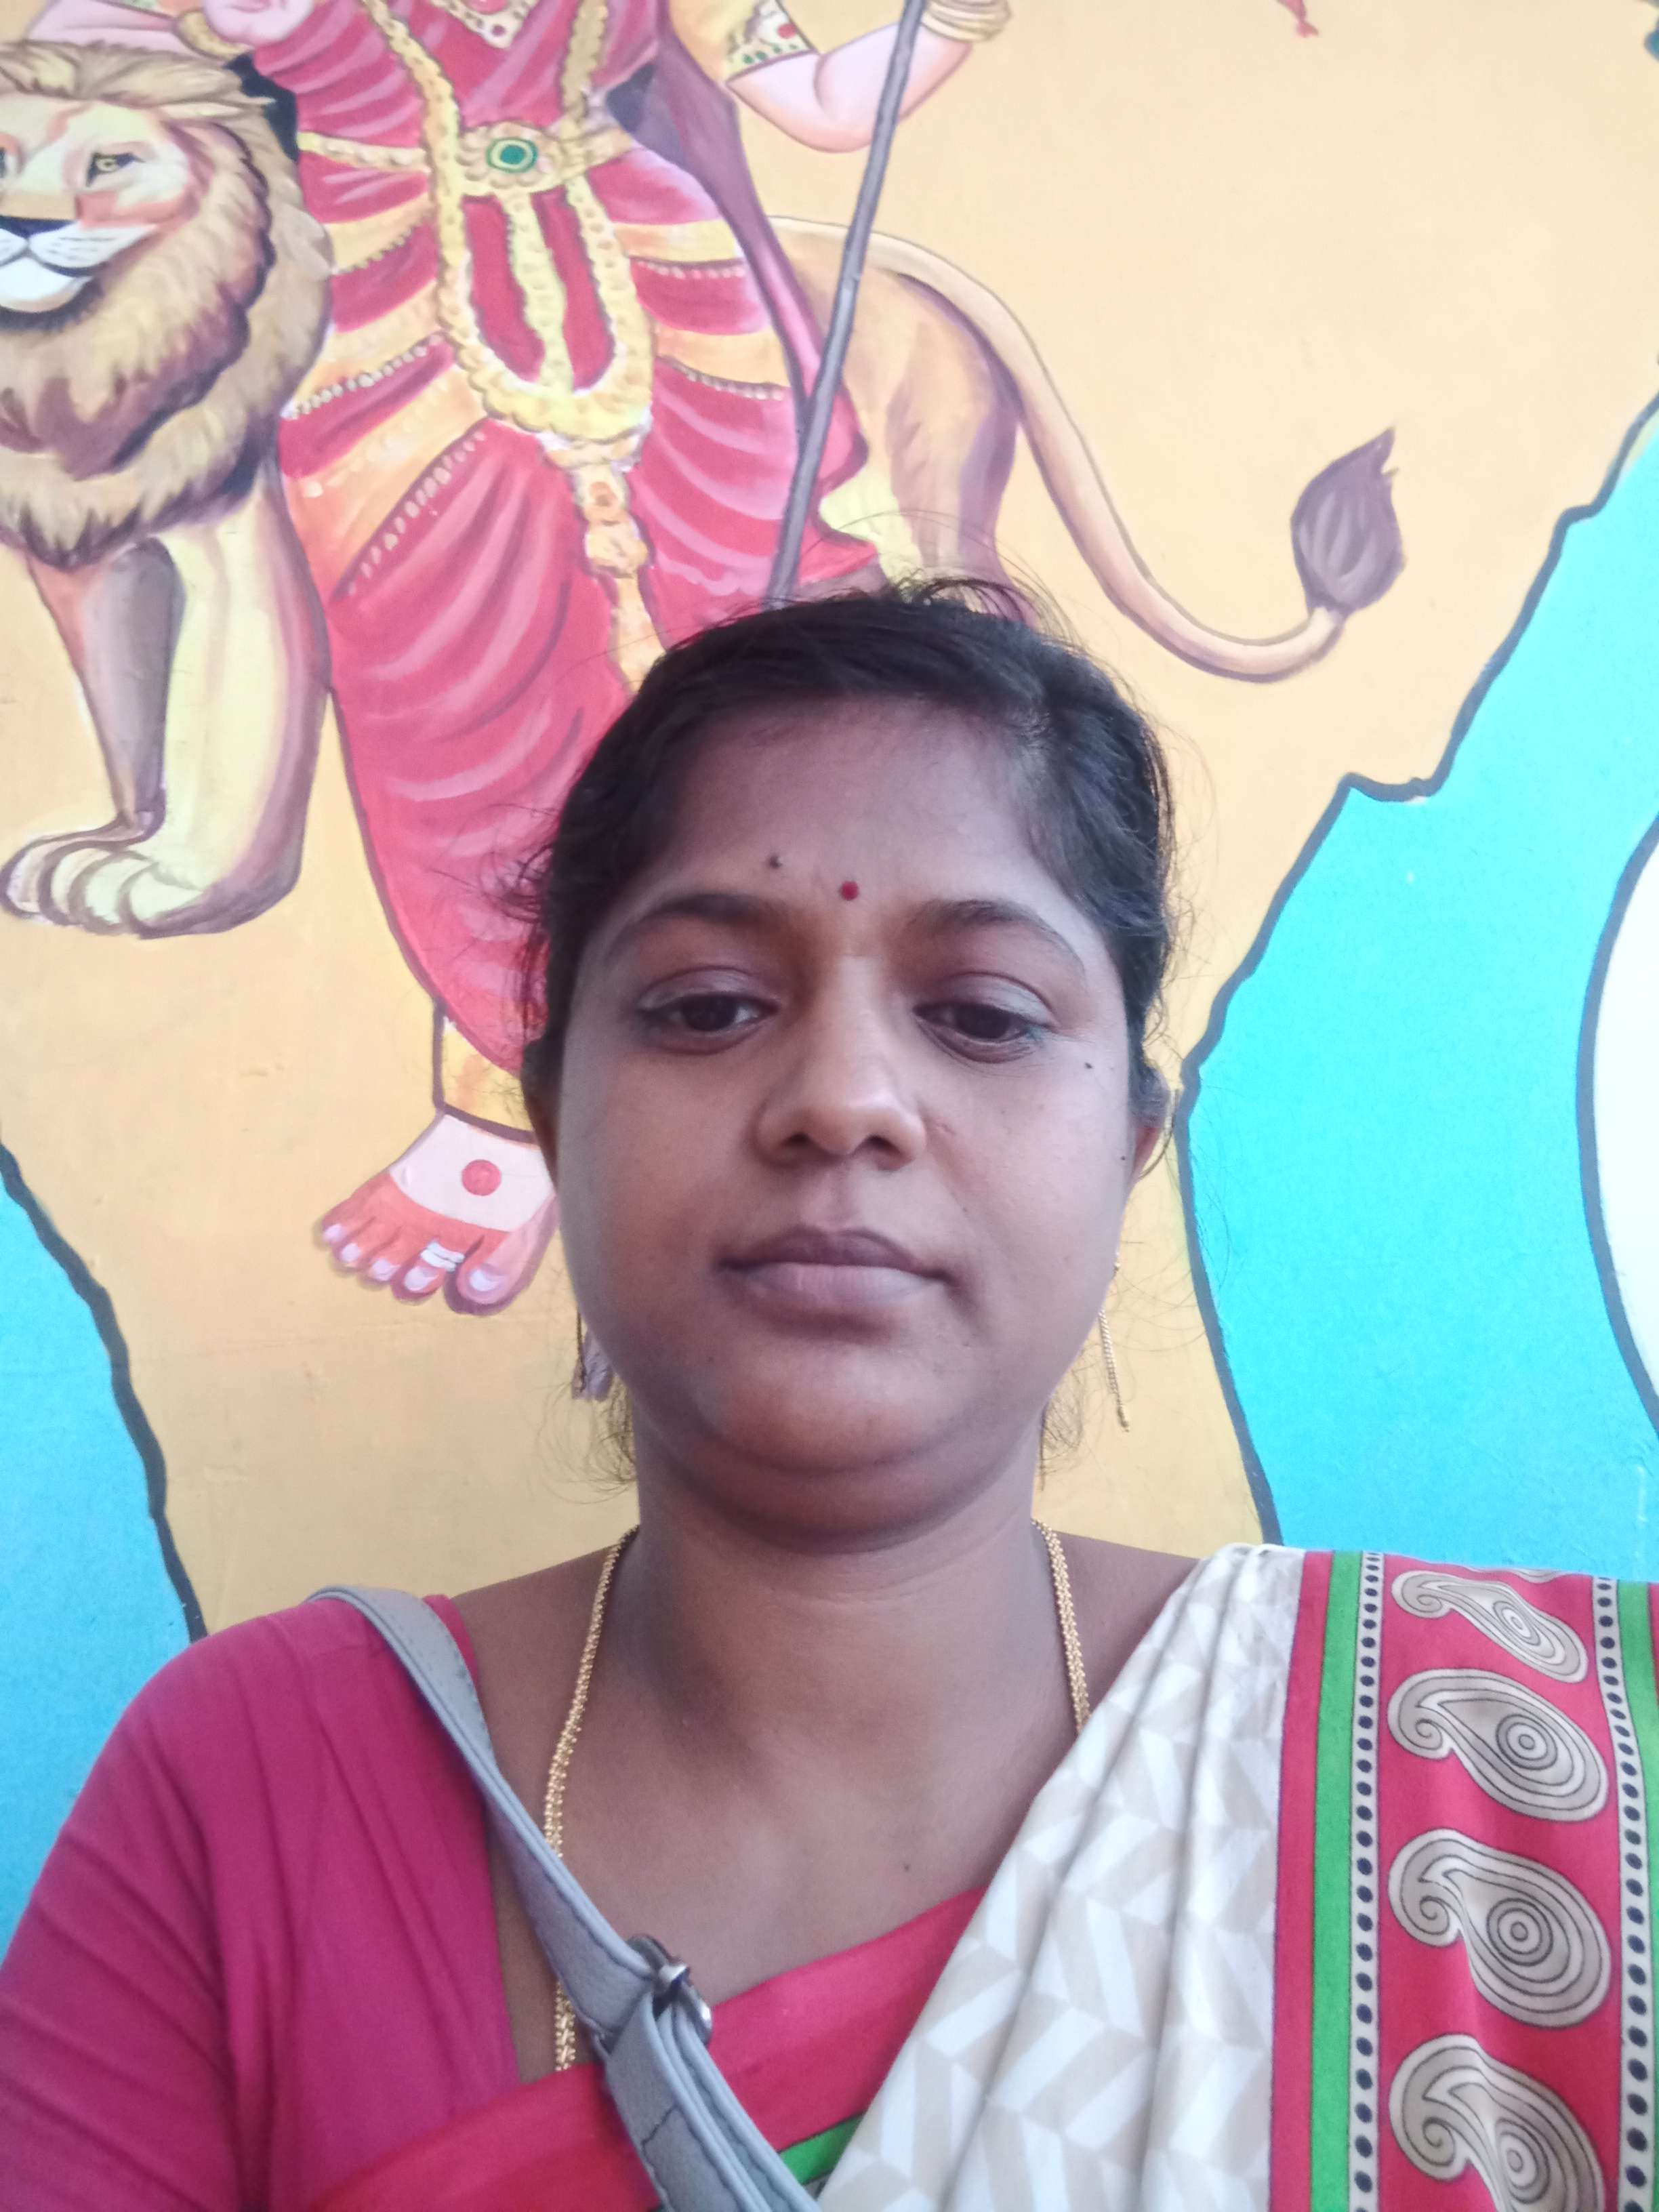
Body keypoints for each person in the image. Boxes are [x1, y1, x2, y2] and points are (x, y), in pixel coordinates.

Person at [0, 583, 1650, 2207]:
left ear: (1131, 1147)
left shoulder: (1525, 1771)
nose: (845, 1098)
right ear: (555, 1119)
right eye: (710, 1006)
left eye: (983, 1016)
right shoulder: (263, 1790)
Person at [26, 0, 1004, 1317]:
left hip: (675, 308)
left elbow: (830, 109)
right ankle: (511, 1089)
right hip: (381, 331)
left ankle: (799, 1033)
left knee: (752, 661)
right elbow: (89, 60)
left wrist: (957, 17)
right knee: (450, 705)